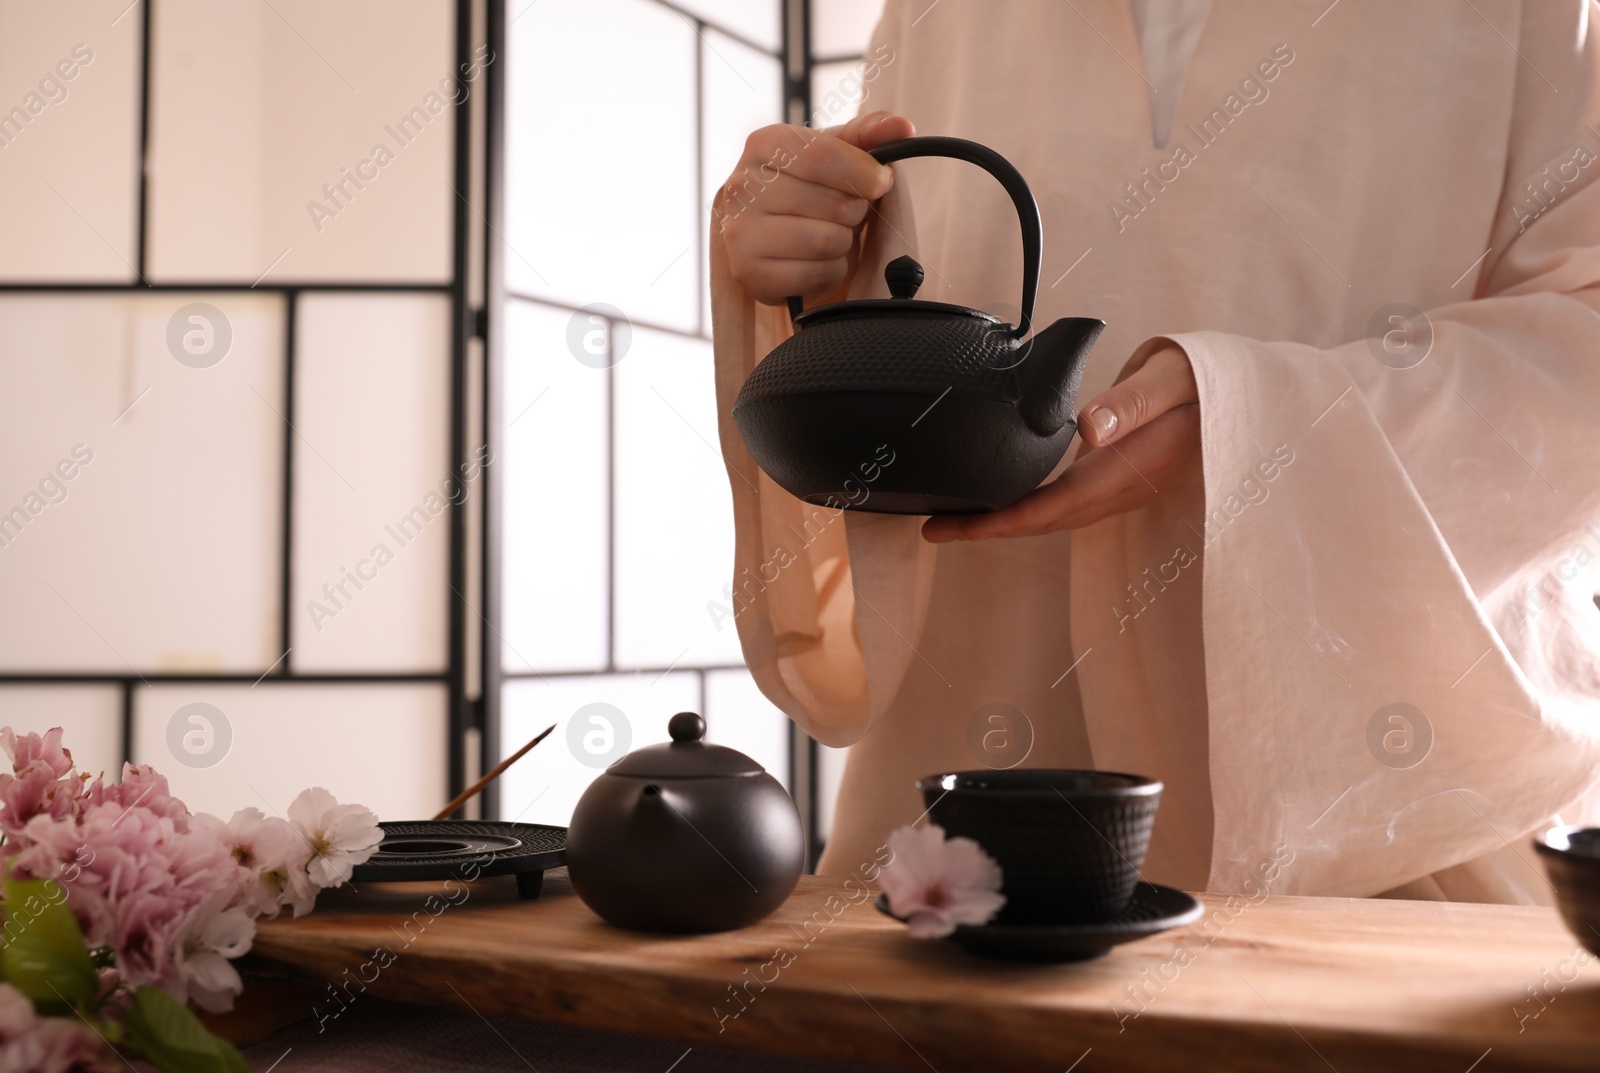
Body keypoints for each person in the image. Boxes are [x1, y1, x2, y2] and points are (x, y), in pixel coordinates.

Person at [710, 0, 1600, 902]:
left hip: (1384, 816)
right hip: (967, 778)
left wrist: (1252, 416)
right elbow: (894, 299)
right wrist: (802, 268)